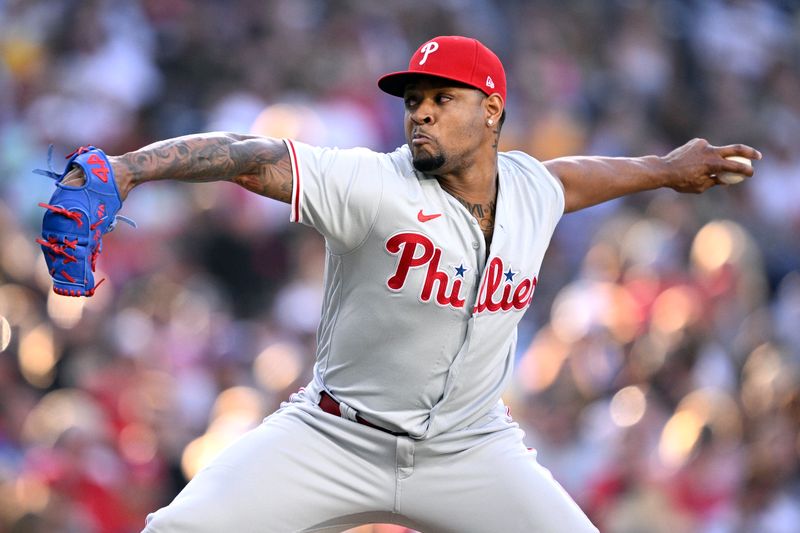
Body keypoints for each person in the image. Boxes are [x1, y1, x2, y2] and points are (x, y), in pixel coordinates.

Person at [61, 36, 759, 533]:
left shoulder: (530, 187)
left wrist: (665, 167)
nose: (419, 111)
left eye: (440, 98)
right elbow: (253, 157)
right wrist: (128, 169)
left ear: (491, 111)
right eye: (412, 99)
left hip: (471, 447)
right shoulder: (372, 181)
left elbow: (579, 176)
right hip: (334, 438)